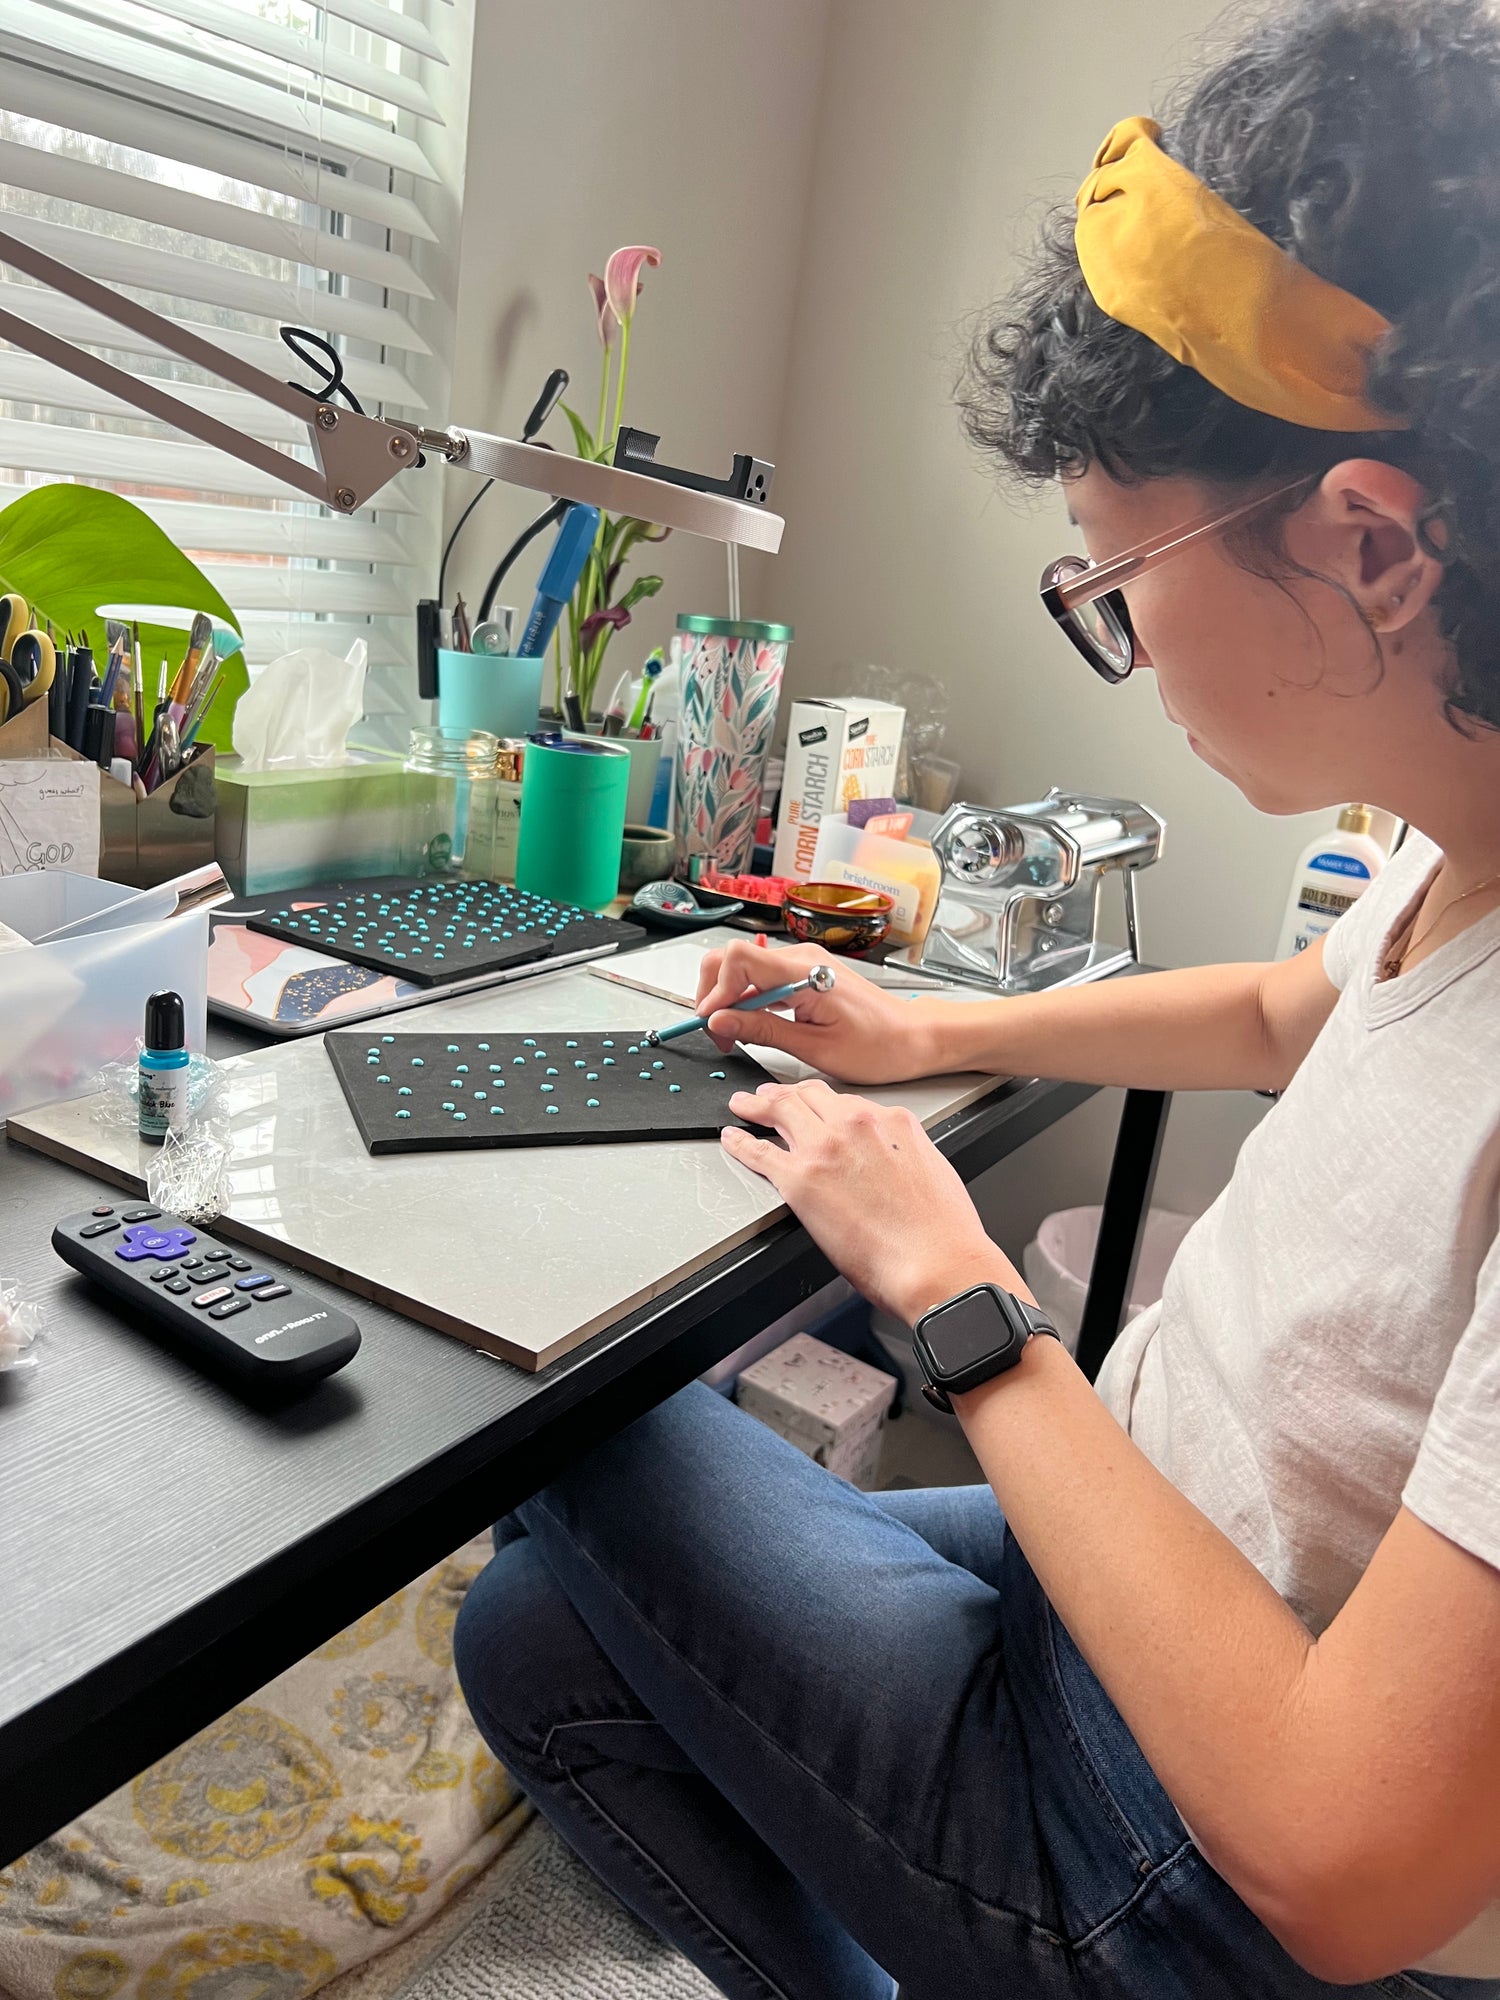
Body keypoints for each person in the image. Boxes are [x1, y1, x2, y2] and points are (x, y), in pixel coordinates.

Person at [454, 4, 1500, 1993]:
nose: (1124, 636)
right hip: (1139, 1571)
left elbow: (1347, 1862)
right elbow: (1287, 1018)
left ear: (1369, 543)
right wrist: (919, 1031)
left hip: (1198, 1853)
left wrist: (965, 1300)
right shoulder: (1458, 841)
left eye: (1111, 573)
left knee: (553, 1427)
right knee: (534, 1639)